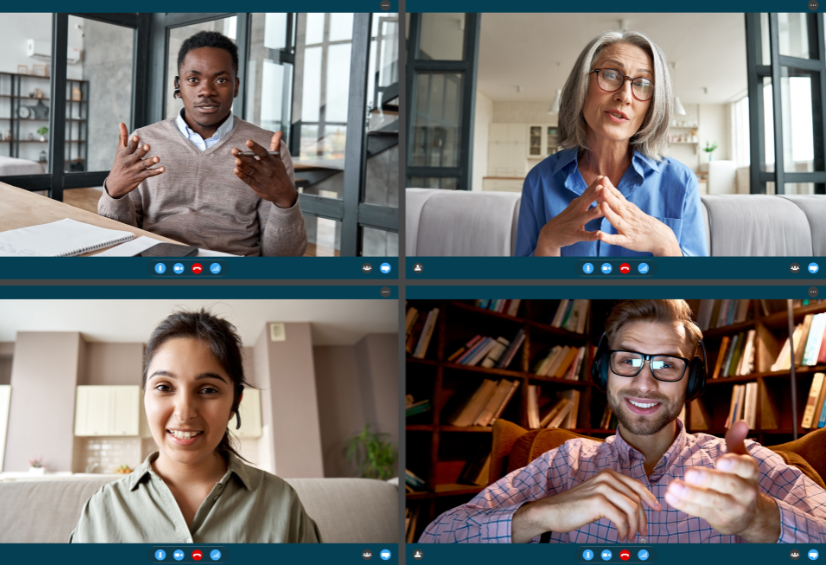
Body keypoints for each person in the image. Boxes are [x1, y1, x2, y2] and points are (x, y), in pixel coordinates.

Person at [420, 300, 826, 543]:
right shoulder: (563, 462)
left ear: (693, 380)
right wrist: (541, 514)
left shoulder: (743, 462)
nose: (644, 383)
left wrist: (761, 519)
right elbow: (434, 541)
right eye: (628, 361)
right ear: (603, 372)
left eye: (667, 364)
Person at [70, 310, 321, 543]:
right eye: (164, 387)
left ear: (235, 402)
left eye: (208, 390)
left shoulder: (282, 503)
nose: (184, 412)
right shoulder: (103, 507)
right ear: (145, 395)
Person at [98, 31, 307, 257]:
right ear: (178, 86)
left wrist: (286, 201)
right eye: (193, 79)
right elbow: (120, 238)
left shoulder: (268, 150)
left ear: (236, 87)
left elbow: (284, 257)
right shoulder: (144, 141)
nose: (206, 91)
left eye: (221, 80)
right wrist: (114, 194)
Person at [514, 31, 708, 258]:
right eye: (610, 75)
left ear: (653, 105)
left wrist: (666, 245)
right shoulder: (540, 180)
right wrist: (547, 243)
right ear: (582, 86)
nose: (625, 96)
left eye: (643, 83)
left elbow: (698, 291)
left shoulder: (681, 182)